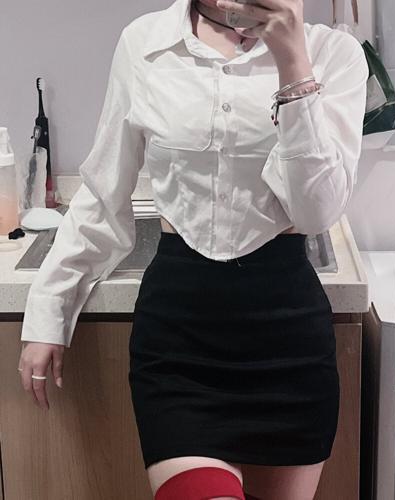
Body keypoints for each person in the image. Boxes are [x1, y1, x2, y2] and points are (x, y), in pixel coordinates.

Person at [18, 0, 369, 498]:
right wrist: (48, 313)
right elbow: (103, 194)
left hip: (287, 340)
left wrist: (292, 60)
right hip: (179, 338)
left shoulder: (332, 53)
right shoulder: (146, 43)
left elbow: (315, 213)